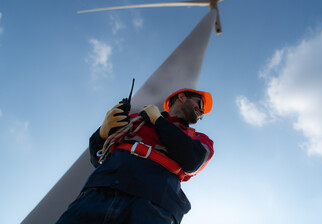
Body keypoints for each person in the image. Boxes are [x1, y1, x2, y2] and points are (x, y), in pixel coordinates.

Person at [56, 88, 214, 224]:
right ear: (181, 97)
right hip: (99, 193)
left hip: (155, 205)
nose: (201, 112)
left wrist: (158, 121)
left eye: (203, 113)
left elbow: (192, 161)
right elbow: (97, 158)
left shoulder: (201, 139)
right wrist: (102, 133)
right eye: (200, 104)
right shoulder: (135, 120)